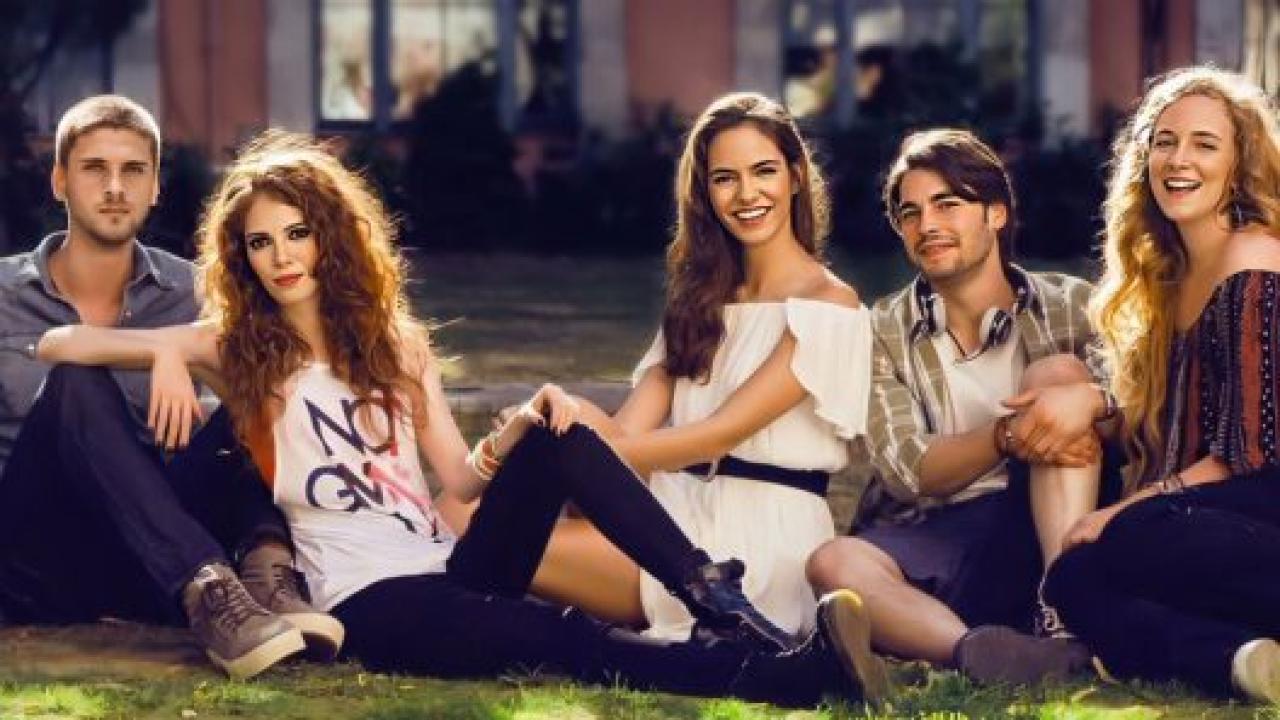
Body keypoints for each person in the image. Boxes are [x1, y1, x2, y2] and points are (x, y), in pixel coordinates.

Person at [37, 130, 888, 707]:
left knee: (559, 431)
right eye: (261, 244)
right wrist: (164, 353)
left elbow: (457, 478)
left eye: (296, 234)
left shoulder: (397, 345)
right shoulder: (237, 347)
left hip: (451, 558)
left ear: (330, 237)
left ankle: (716, 598)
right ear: (242, 258)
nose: (282, 257)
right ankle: (783, 679)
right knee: (560, 640)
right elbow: (61, 345)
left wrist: (511, 437)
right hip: (367, 596)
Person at [485, 92, 878, 655]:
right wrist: (545, 430)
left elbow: (718, 435)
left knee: (494, 536)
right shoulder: (699, 302)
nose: (747, 194)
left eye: (763, 171)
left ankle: (518, 615)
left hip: (756, 533)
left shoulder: (829, 306)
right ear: (705, 193)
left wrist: (566, 456)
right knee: (551, 430)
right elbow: (628, 432)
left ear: (795, 177)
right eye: (725, 179)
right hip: (669, 510)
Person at [0, 95, 339, 680]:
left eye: (133, 170)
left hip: (147, 554)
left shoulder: (196, 293)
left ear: (155, 186)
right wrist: (165, 349)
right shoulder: (4, 295)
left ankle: (268, 576)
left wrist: (184, 353)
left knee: (249, 402)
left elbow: (277, 403)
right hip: (36, 558)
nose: (115, 188)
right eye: (94, 168)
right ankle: (210, 589)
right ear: (59, 182)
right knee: (76, 384)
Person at [806, 128, 1116, 684]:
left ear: (996, 214)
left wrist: (1087, 400)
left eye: (947, 204)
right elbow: (908, 472)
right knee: (833, 561)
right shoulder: (882, 329)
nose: (927, 225)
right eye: (910, 213)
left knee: (1057, 377)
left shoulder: (1074, 305)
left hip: (1051, 520)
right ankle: (974, 653)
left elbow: (1138, 411)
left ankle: (1061, 616)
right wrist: (1005, 435)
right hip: (939, 530)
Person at [1043, 66, 1280, 704]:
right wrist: (1089, 407)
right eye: (1165, 142)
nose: (1179, 160)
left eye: (1205, 144)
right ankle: (1239, 660)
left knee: (1130, 535)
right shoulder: (1168, 278)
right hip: (1219, 522)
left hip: (1264, 501)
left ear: (1239, 164)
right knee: (1072, 577)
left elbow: (1251, 456)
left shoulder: (1254, 259)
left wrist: (1121, 511)